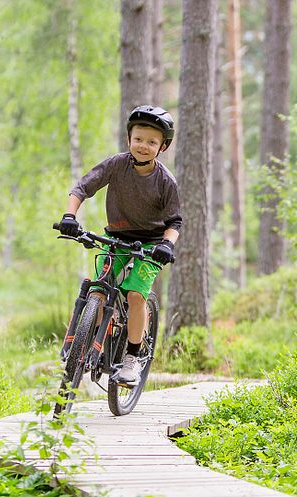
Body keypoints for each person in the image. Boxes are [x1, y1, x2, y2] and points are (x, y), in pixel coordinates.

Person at [58, 105, 181, 383]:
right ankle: (89, 337)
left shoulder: (165, 182)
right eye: (138, 139)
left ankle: (132, 358)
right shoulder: (115, 165)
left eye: (152, 142)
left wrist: (167, 245)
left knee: (136, 295)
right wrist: (69, 215)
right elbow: (81, 189)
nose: (143, 146)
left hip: (150, 246)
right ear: (128, 139)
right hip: (115, 239)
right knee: (99, 287)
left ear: (162, 147)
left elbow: (175, 222)